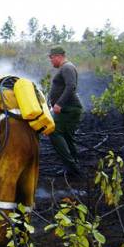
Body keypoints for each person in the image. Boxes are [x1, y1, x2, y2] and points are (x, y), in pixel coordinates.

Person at [0, 76, 40, 247]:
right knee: (26, 192)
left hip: (13, 145)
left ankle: (0, 241)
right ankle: (23, 238)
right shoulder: (32, 96)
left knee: (3, 191)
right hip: (34, 145)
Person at [48, 46, 83, 177]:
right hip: (68, 109)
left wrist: (59, 104)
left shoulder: (67, 67)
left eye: (51, 58)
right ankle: (73, 168)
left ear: (58, 56)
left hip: (69, 109)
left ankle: (71, 166)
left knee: (54, 131)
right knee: (68, 137)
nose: (51, 61)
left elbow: (71, 86)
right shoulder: (64, 68)